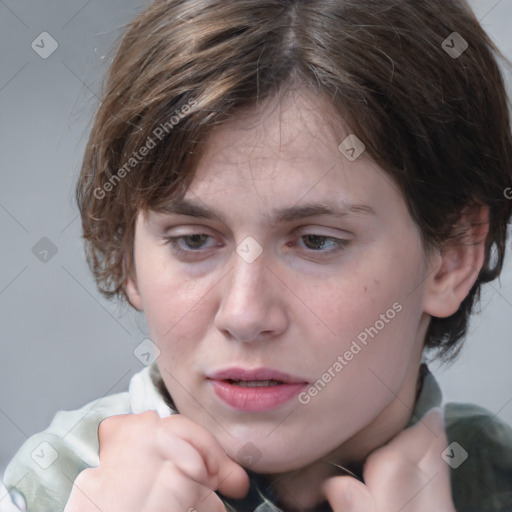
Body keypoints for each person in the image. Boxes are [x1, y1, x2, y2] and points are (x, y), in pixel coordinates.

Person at [2, 0, 512, 510]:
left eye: (316, 241)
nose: (245, 315)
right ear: (127, 249)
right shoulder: (46, 491)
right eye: (194, 240)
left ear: (452, 256)